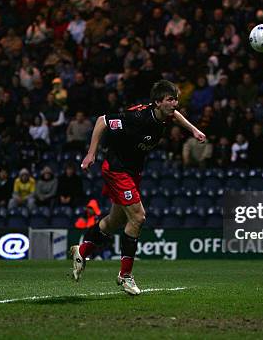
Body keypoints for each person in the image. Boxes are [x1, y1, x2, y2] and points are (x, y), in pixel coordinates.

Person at [72, 80, 206, 295]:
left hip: (133, 171)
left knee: (116, 220)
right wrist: (91, 153)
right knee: (138, 217)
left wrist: (194, 131)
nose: (175, 104)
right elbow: (102, 121)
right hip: (117, 168)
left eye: (176, 99)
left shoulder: (166, 113)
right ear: (157, 102)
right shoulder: (136, 117)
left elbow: (175, 116)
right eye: (170, 100)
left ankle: (83, 250)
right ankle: (125, 276)